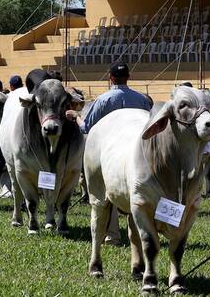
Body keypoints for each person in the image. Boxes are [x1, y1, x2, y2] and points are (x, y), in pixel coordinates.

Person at [66, 61, 153, 245]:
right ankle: (135, 234)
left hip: (110, 149)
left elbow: (87, 127)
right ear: (128, 77)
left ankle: (112, 234)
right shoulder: (142, 99)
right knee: (133, 192)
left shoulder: (104, 99)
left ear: (111, 78)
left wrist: (75, 116)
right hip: (135, 151)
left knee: (108, 192)